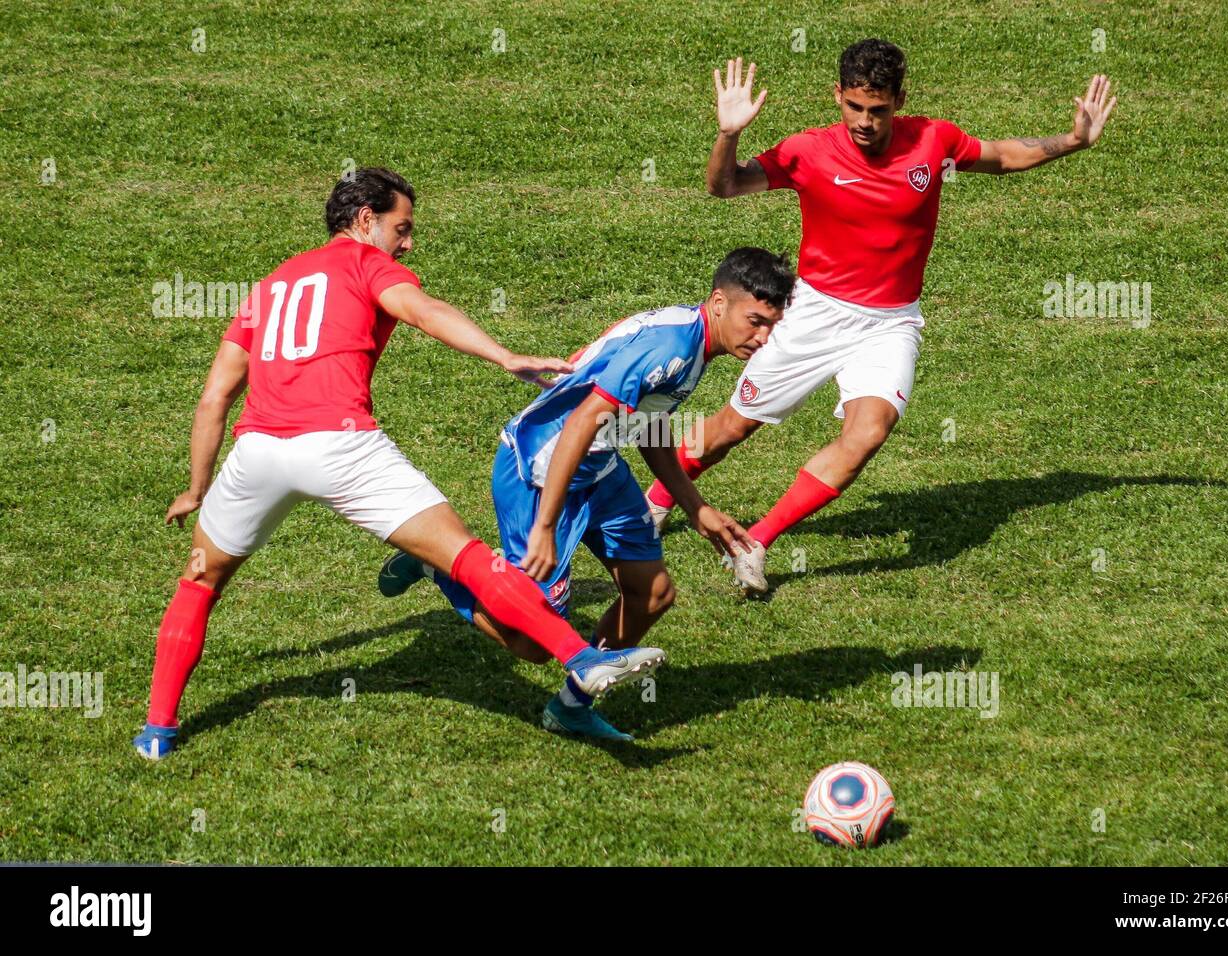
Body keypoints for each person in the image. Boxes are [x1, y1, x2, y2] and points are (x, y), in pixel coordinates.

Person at [133, 167, 665, 760]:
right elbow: (422, 310)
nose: (408, 243)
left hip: (257, 454)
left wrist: (196, 487)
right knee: (464, 556)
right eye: (401, 228)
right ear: (365, 221)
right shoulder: (367, 265)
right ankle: (582, 659)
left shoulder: (270, 285)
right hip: (340, 447)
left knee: (199, 583)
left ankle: (158, 731)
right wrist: (503, 354)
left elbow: (215, 397)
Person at [645, 40, 1118, 593]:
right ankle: (655, 501)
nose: (865, 122)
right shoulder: (809, 151)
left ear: (899, 101)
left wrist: (1073, 140)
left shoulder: (933, 139)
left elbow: (1003, 155)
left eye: (879, 110)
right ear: (837, 96)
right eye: (854, 107)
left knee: (868, 433)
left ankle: (755, 543)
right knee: (735, 425)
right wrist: (729, 134)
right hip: (815, 314)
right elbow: (722, 186)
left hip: (891, 323)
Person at [379, 248, 795, 740]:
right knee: (532, 639)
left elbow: (647, 422)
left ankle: (571, 706)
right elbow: (581, 423)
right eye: (755, 321)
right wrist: (547, 527)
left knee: (653, 593)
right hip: (540, 472)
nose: (763, 338)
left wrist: (695, 506)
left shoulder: (693, 340)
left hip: (598, 467)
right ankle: (441, 566)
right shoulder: (671, 347)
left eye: (772, 325)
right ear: (721, 301)